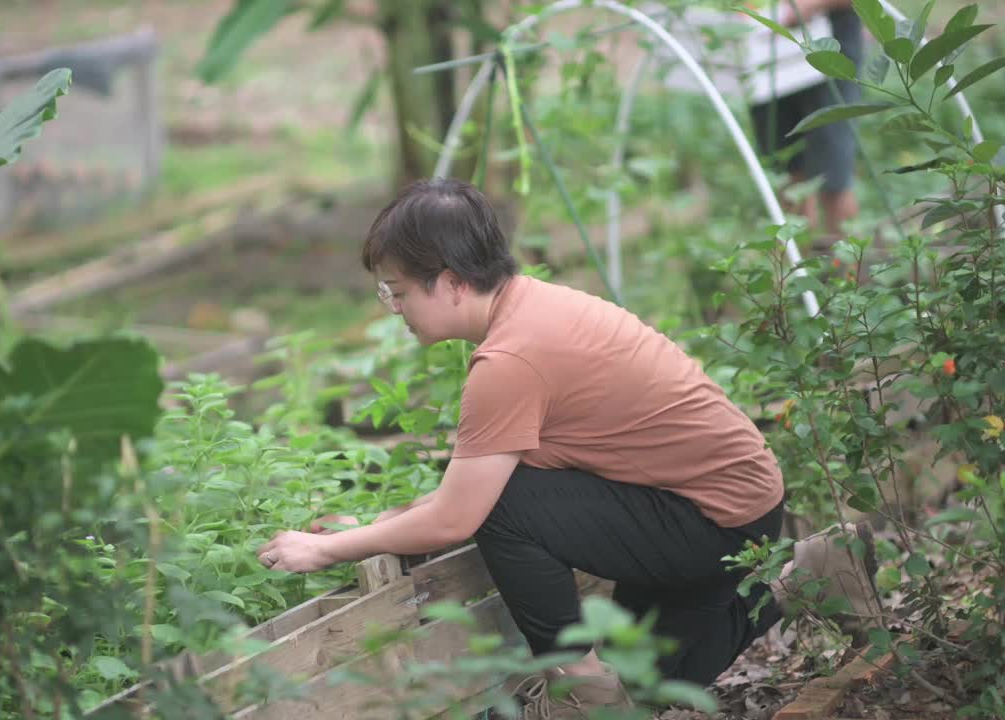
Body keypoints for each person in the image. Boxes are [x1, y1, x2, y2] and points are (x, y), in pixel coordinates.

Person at [256, 179, 882, 716]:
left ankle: (581, 688)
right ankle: (815, 570)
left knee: (513, 522)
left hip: (709, 520)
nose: (393, 307)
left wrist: (329, 549)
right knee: (652, 682)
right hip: (720, 505)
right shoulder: (533, 308)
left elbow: (465, 512)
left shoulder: (511, 359)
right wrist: (379, 525)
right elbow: (480, 480)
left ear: (448, 282)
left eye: (397, 291)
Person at [751, 0, 865, 238]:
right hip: (763, 44)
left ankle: (848, 269)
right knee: (787, 175)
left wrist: (811, 3)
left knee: (833, 178)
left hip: (829, 38)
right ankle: (797, 269)